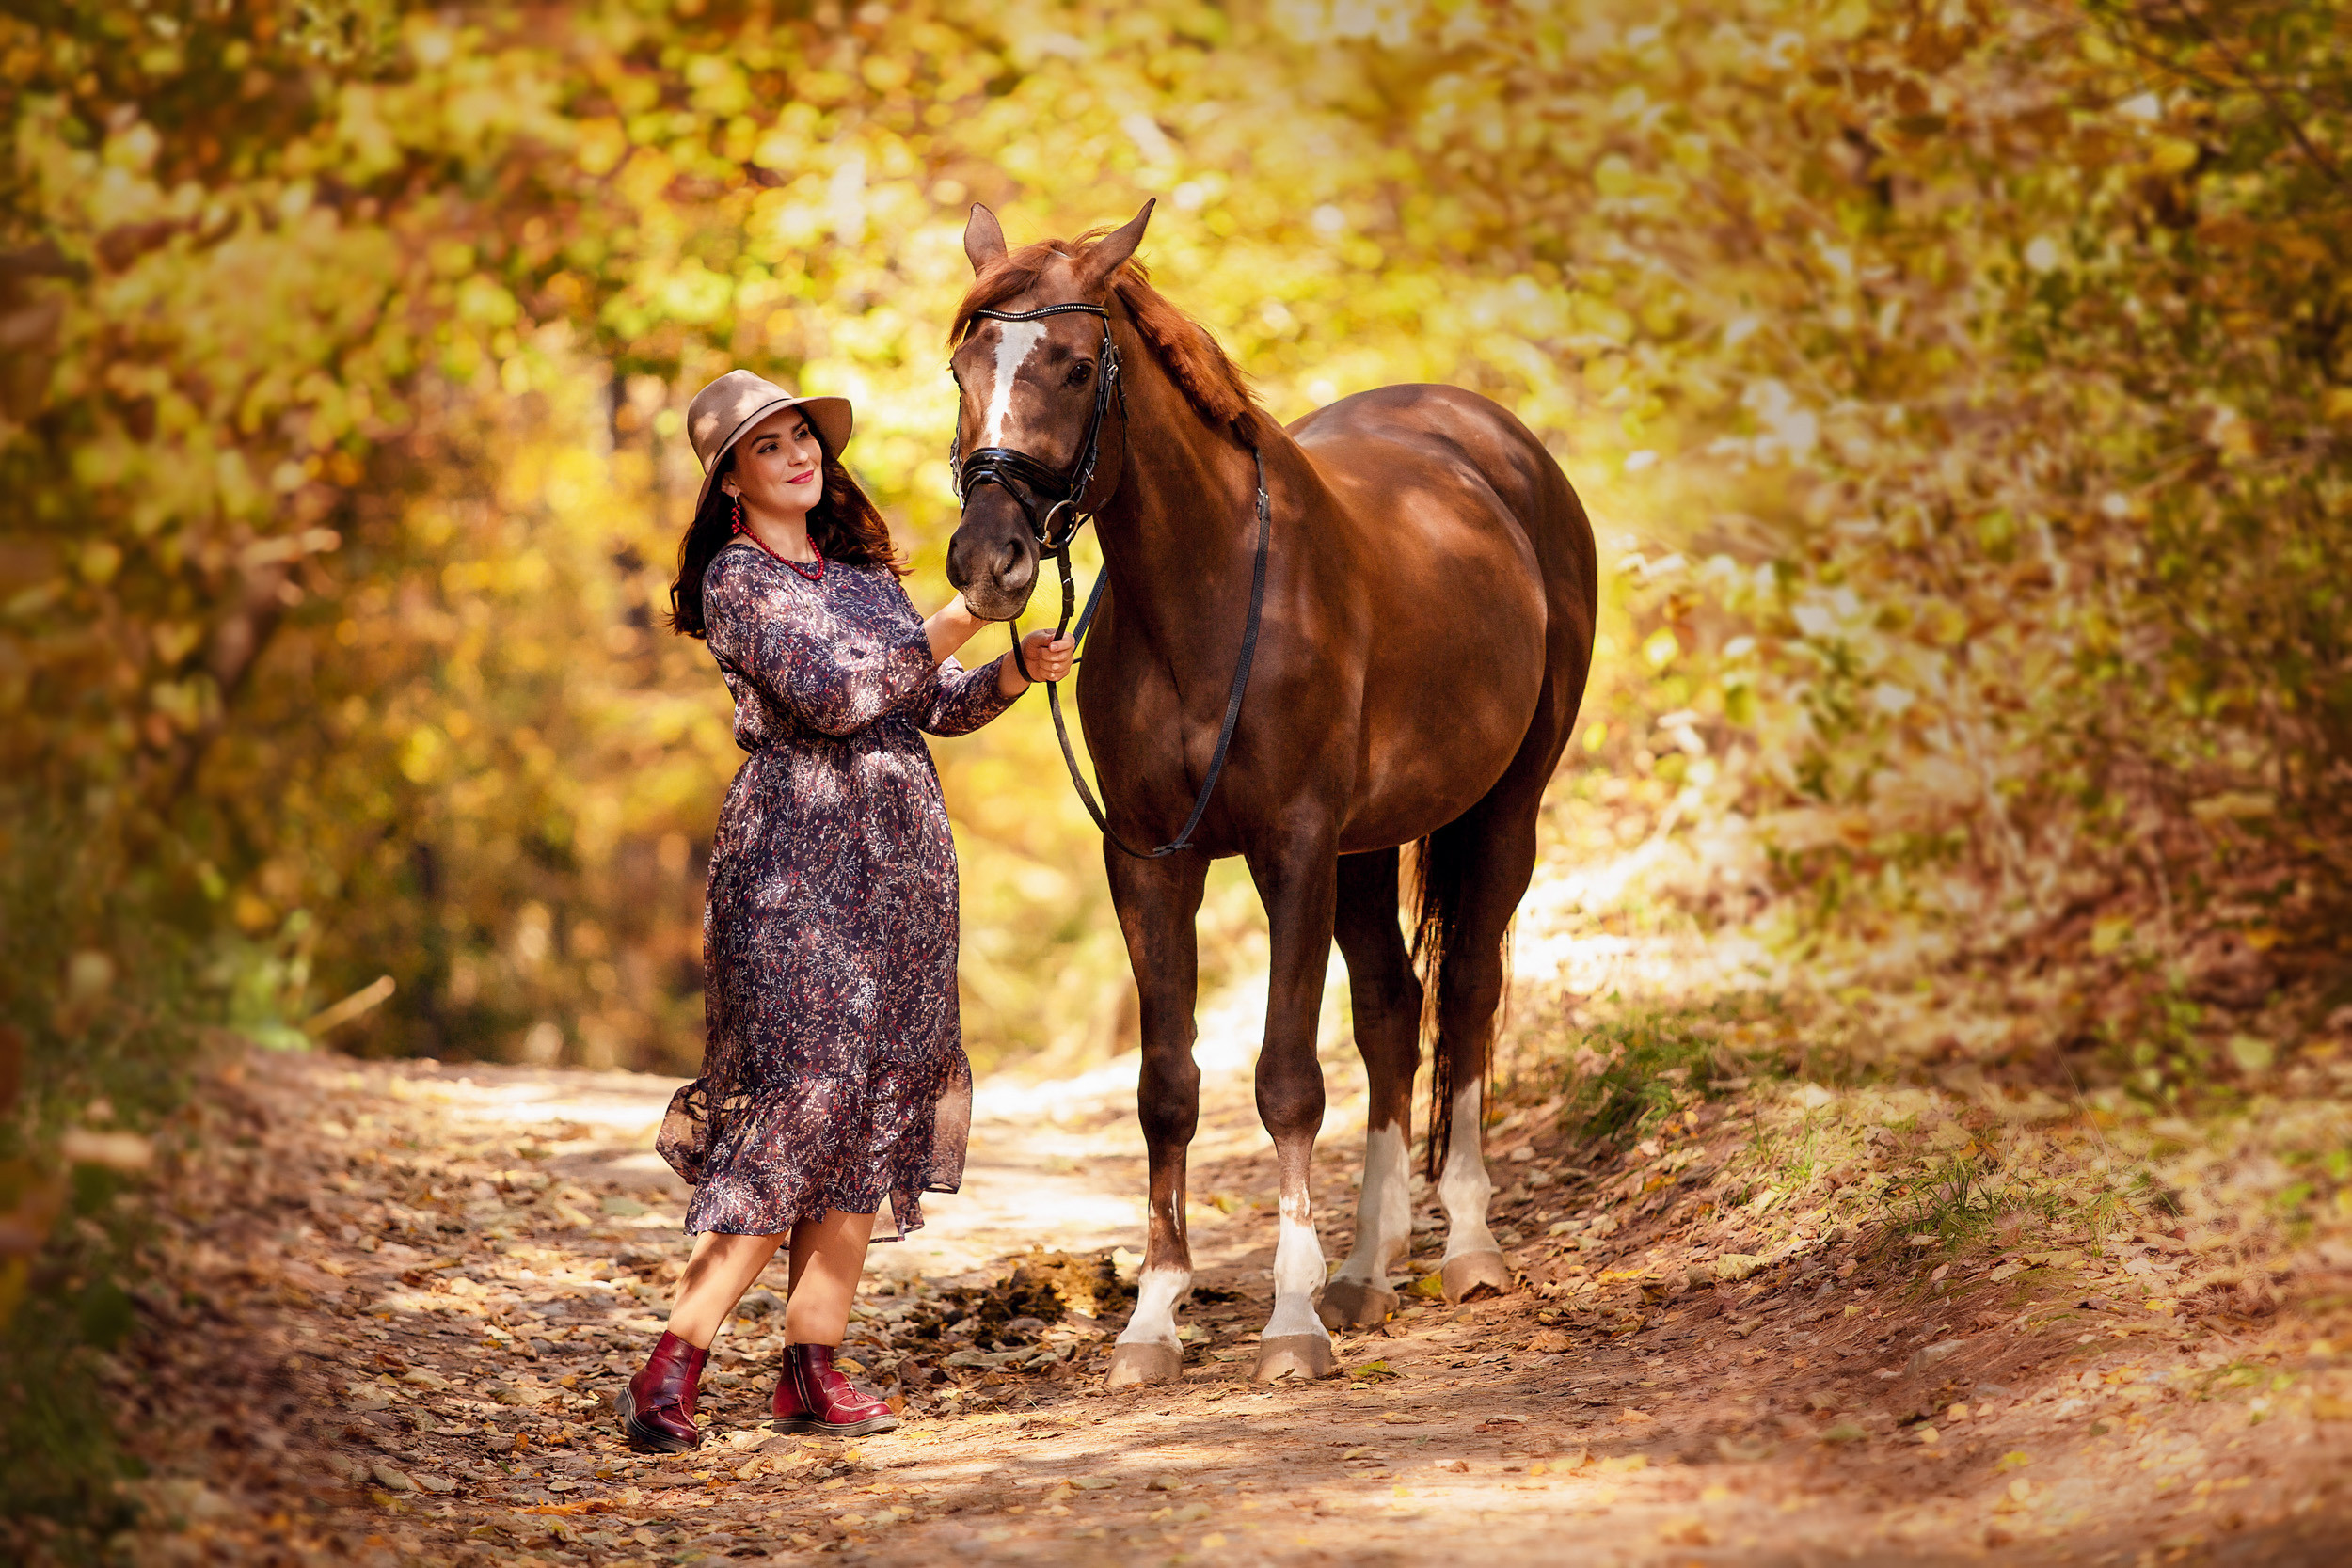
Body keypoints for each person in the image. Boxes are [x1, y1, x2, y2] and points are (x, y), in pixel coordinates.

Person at [615, 370, 1073, 1451]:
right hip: (791, 865)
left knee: (874, 1096)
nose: (797, 455)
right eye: (769, 446)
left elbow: (926, 701)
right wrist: (965, 612)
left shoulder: (863, 574)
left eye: (803, 438)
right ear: (732, 479)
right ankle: (669, 1366)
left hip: (901, 866)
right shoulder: (738, 580)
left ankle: (810, 1370)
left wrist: (1010, 667)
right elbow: (834, 697)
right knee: (807, 1096)